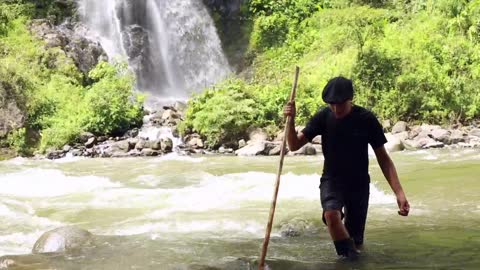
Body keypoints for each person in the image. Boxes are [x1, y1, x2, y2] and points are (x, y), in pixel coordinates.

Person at [283, 76, 410, 258]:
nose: (335, 109)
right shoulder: (323, 117)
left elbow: (383, 158)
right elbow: (294, 145)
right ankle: (351, 263)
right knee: (331, 215)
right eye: (331, 104)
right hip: (332, 180)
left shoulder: (366, 119)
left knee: (356, 243)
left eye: (340, 104)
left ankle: (352, 258)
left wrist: (399, 193)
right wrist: (291, 121)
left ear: (350, 100)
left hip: (358, 184)